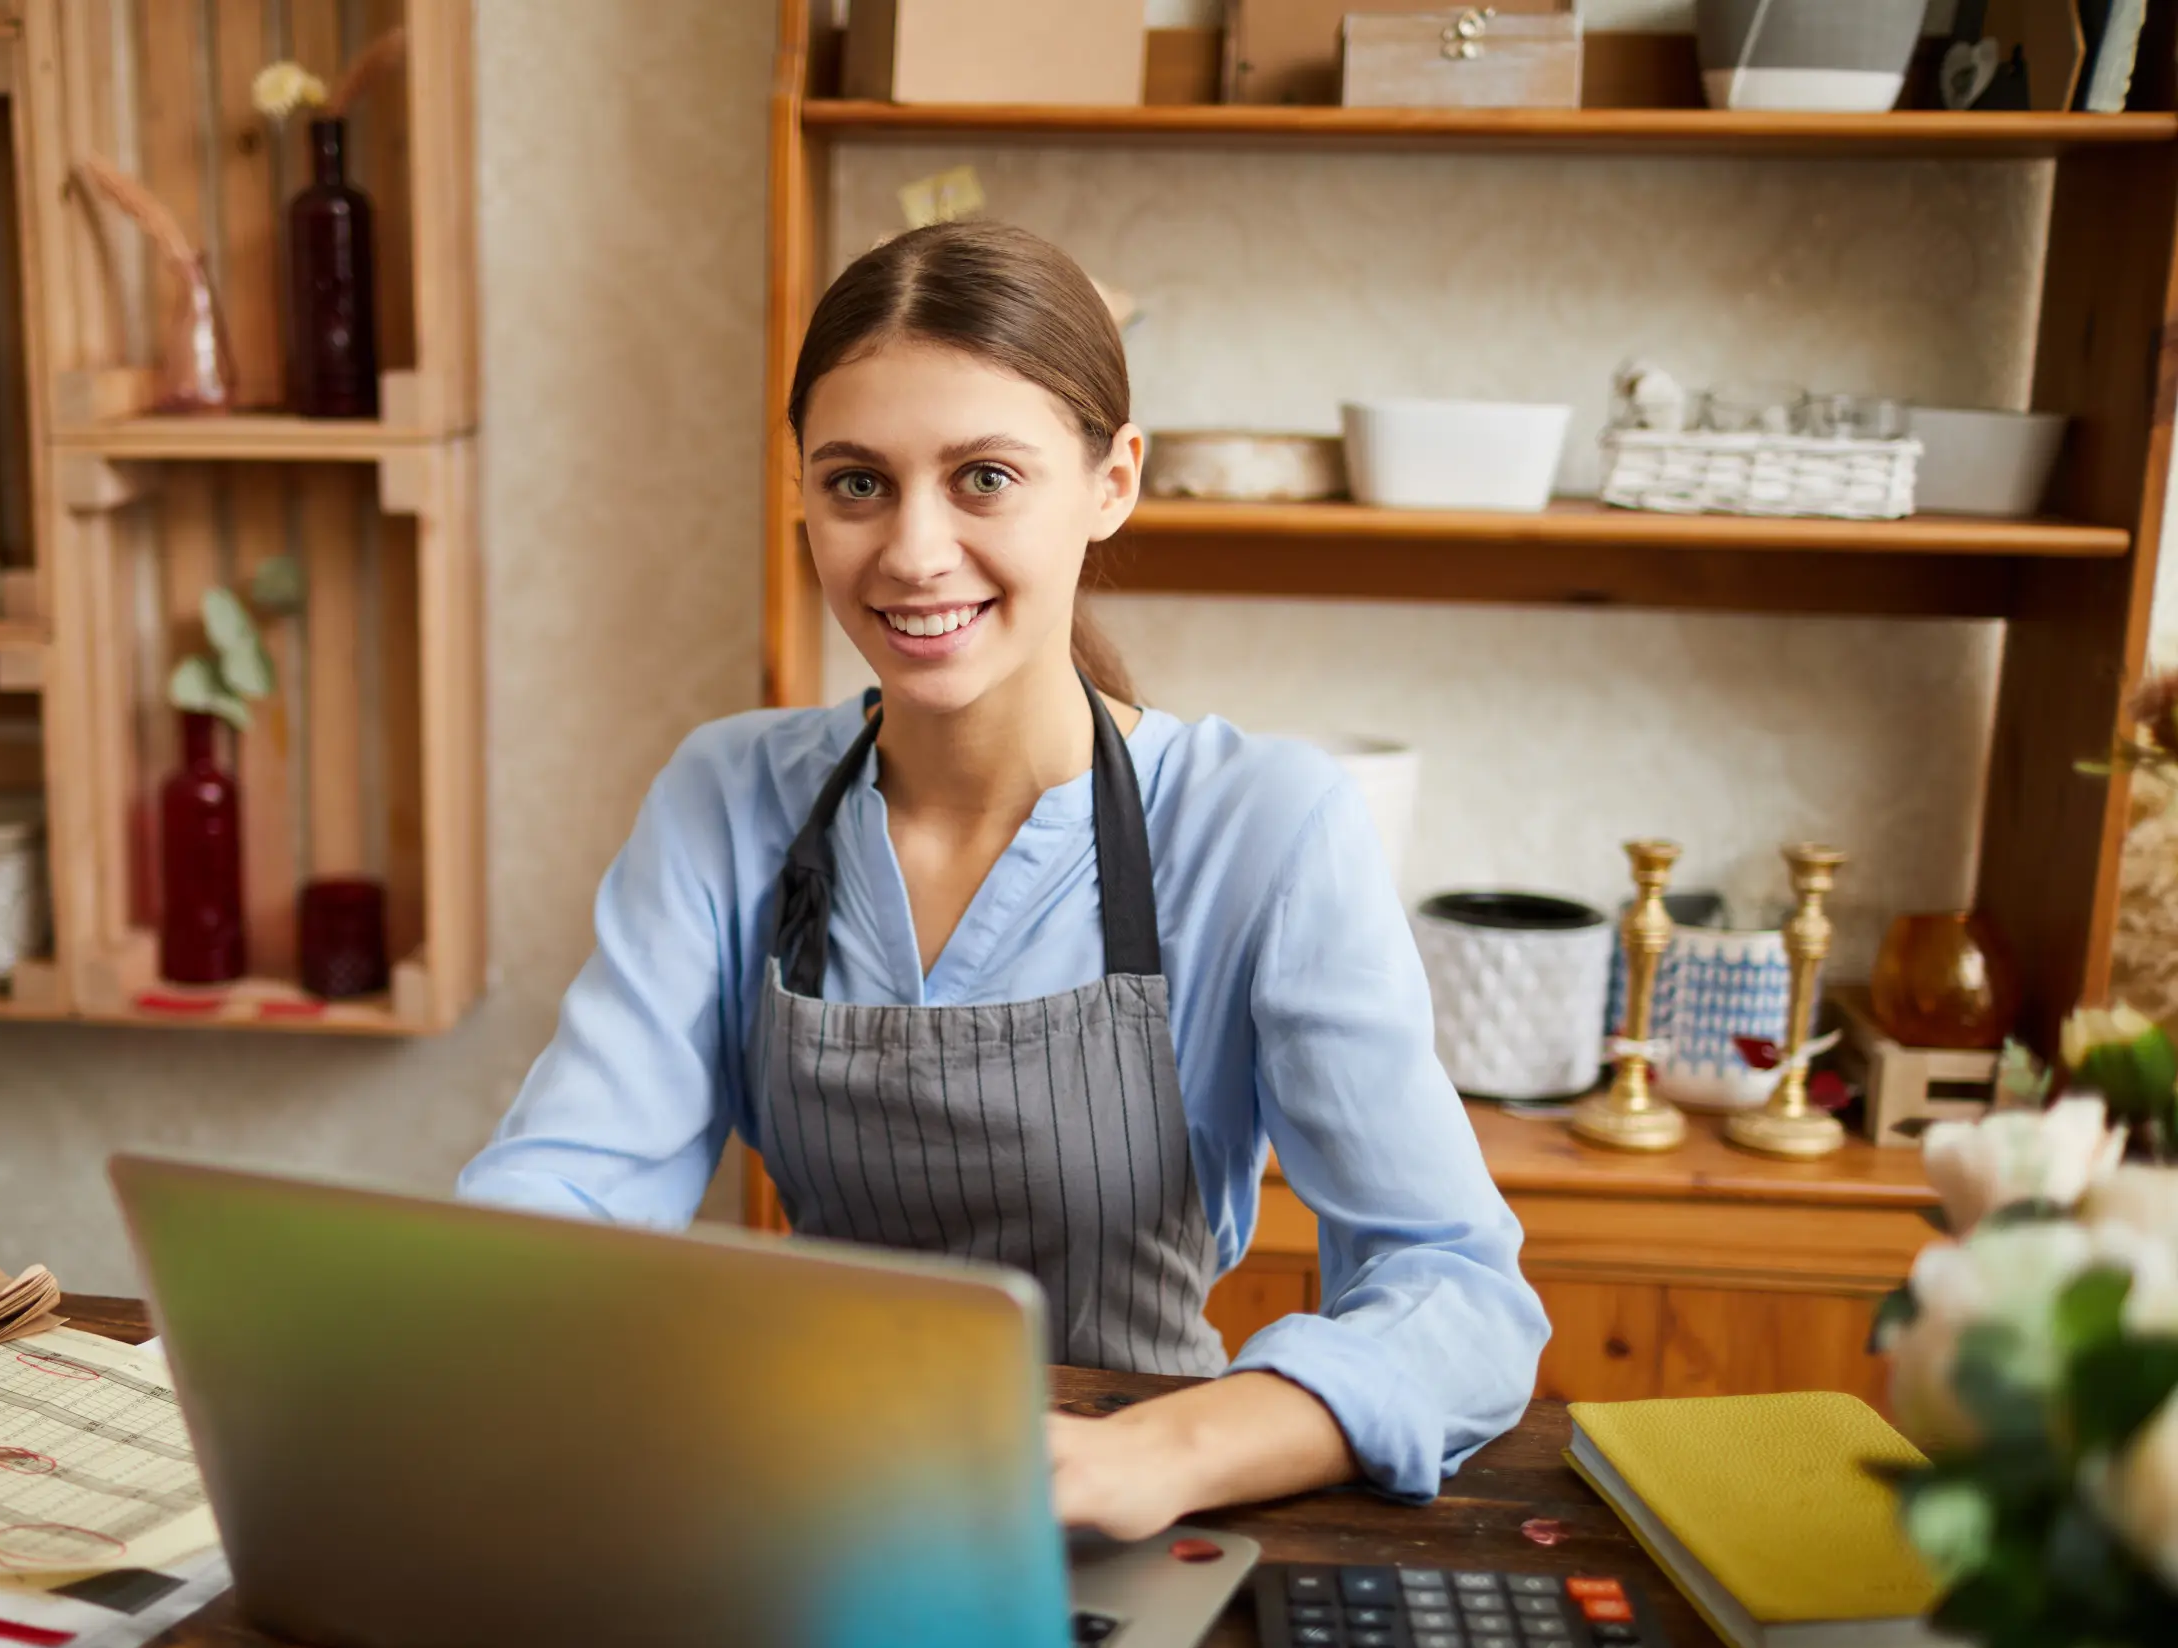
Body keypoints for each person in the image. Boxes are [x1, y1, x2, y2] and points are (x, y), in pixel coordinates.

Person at [460, 220, 1545, 1538]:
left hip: (1127, 1530)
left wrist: (1172, 1453)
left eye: (983, 478)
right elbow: (564, 1187)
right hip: (817, 1503)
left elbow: (1461, 1294)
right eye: (857, 483)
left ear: (1111, 482)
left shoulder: (1261, 826)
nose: (914, 551)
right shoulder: (730, 799)